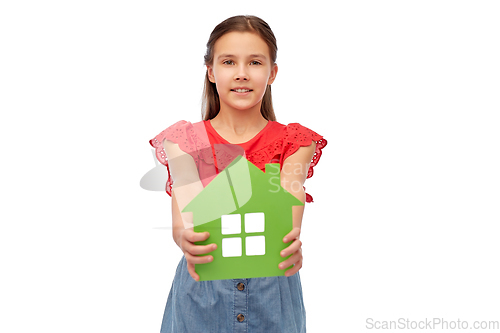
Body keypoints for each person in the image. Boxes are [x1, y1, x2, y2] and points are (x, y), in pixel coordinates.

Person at [149, 15, 327, 333]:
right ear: (211, 70)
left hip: (272, 295)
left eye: (255, 62)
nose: (242, 74)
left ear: (271, 73)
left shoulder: (295, 142)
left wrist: (291, 246)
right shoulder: (184, 142)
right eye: (229, 61)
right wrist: (185, 240)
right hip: (202, 295)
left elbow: (286, 222)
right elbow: (183, 223)